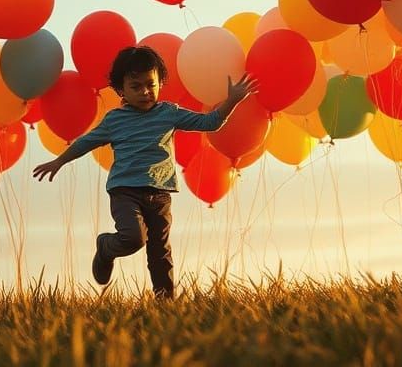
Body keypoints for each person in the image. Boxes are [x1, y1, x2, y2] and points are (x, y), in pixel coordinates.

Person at [32, 45, 258, 299]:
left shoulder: (168, 113)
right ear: (121, 90)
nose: (144, 92)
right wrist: (59, 161)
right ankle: (106, 247)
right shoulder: (115, 120)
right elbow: (86, 142)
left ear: (160, 82)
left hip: (160, 193)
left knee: (160, 250)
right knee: (133, 238)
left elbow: (210, 122)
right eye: (135, 86)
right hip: (125, 191)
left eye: (150, 84)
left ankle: (164, 300)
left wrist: (233, 100)